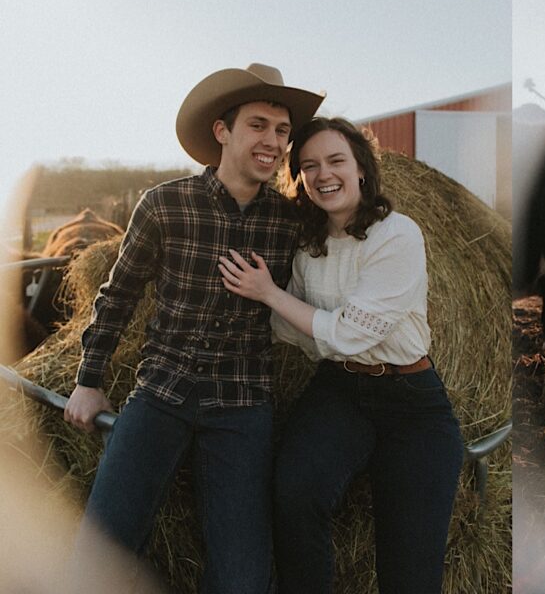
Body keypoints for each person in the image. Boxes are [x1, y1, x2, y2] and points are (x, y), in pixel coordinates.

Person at [64, 64, 324, 593]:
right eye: (258, 125)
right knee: (100, 551)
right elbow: (118, 296)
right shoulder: (164, 204)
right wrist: (89, 380)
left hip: (243, 402)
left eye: (281, 131)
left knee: (244, 579)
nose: (273, 142)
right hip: (161, 390)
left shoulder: (294, 222)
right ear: (222, 131)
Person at [217, 116, 464, 594]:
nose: (323, 174)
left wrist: (269, 293)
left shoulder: (398, 235)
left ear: (362, 170)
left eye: (335, 161)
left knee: (410, 569)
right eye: (308, 166)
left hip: (410, 400)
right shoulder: (309, 247)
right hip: (340, 391)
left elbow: (348, 333)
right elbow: (300, 331)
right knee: (294, 493)